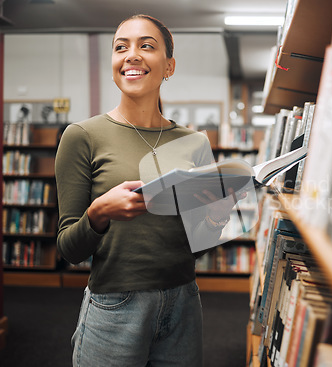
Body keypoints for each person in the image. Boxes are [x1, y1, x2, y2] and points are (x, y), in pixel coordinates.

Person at [55, 14, 240, 367]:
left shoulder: (194, 142)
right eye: (120, 47)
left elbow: (194, 244)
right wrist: (99, 213)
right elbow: (69, 249)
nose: (132, 55)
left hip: (184, 303)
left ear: (168, 66)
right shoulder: (81, 136)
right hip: (114, 306)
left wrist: (217, 216)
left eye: (147, 46)